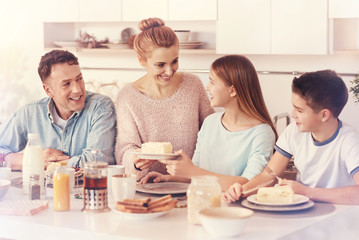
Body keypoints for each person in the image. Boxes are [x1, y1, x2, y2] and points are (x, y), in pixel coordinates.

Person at [141, 55, 278, 191]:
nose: (207, 87)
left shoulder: (262, 133)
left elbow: (247, 184)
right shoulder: (210, 123)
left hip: (234, 210)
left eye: (212, 82)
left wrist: (191, 171)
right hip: (203, 202)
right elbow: (196, 172)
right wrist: (168, 179)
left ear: (232, 90)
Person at [224, 70, 359, 204]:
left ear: (324, 115)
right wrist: (242, 190)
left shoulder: (349, 140)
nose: (293, 114)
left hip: (340, 216)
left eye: (299, 110)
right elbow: (269, 174)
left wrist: (307, 192)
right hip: (305, 211)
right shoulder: (294, 131)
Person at [115, 18, 214, 181]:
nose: (169, 71)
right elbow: (125, 149)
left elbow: (213, 132)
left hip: (191, 184)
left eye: (175, 61)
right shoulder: (128, 97)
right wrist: (135, 161)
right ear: (141, 60)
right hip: (148, 186)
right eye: (160, 65)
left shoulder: (192, 85)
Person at [0, 50, 116, 170]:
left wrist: (52, 165)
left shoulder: (100, 107)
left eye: (79, 79)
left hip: (89, 188)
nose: (77, 90)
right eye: (66, 84)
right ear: (48, 90)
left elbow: (96, 161)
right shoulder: (30, 113)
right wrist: (32, 159)